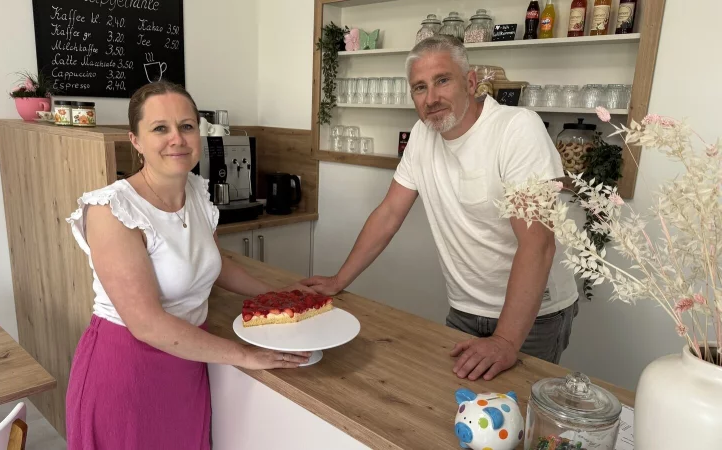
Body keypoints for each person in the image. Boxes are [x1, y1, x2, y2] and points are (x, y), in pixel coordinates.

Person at [302, 35, 578, 381]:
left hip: (534, 317)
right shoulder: (422, 136)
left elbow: (538, 244)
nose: (431, 98)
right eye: (420, 87)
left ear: (471, 82)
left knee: (514, 422)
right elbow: (389, 214)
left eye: (442, 81)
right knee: (455, 413)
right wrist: (338, 280)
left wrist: (505, 341)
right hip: (464, 309)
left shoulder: (516, 129)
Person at [65, 80, 310, 450]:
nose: (176, 138)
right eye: (160, 128)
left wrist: (278, 296)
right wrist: (246, 355)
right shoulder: (112, 210)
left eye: (186, 126)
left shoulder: (196, 192)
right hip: (127, 372)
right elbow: (146, 324)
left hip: (188, 360)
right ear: (135, 140)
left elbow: (216, 264)